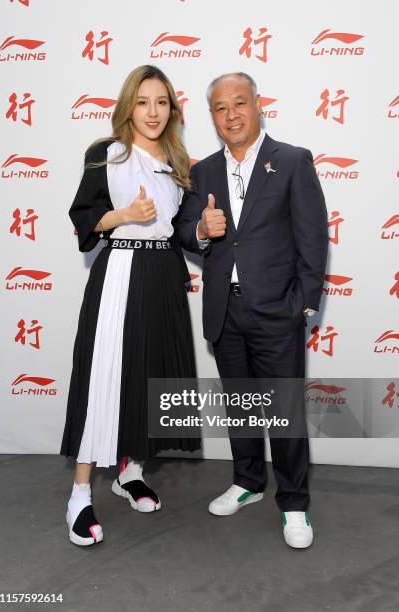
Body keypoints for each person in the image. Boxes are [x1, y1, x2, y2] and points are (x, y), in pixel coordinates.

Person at [175, 72, 328, 549]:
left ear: (259, 104)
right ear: (212, 117)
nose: (231, 115)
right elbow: (184, 232)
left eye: (239, 103)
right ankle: (247, 482)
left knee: (284, 413)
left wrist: (300, 306)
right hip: (226, 311)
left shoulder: (291, 161)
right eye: (220, 108)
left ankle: (294, 502)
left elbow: (313, 238)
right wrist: (201, 228)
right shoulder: (202, 173)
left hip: (276, 313)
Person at [60, 65, 200, 547]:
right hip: (120, 270)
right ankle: (80, 492)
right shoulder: (108, 154)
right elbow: (83, 216)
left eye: (162, 102)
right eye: (143, 101)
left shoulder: (180, 160)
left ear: (172, 109)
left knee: (151, 374)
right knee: (103, 375)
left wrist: (202, 231)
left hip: (164, 275)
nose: (153, 112)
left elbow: (183, 231)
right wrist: (122, 215)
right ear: (128, 105)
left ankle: (130, 470)